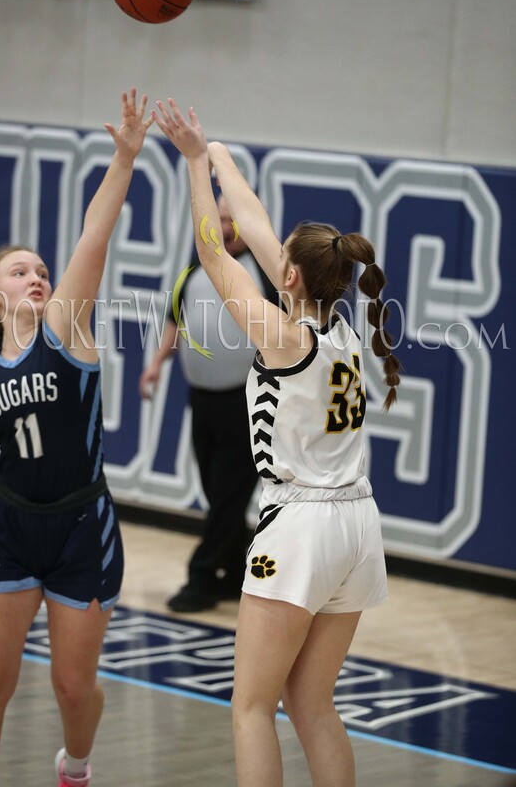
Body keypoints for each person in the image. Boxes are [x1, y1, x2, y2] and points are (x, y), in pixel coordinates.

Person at [150, 98, 401, 787]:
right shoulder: (343, 327)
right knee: (313, 704)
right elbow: (258, 230)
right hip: (358, 525)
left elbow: (214, 246)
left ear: (288, 277)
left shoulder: (283, 335)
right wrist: (217, 152)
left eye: (278, 262)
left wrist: (196, 165)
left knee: (251, 708)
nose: (267, 256)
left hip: (301, 527)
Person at [0, 89, 152, 787]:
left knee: (72, 689)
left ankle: (75, 766)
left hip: (83, 524)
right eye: (19, 271)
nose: (37, 276)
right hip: (9, 522)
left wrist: (124, 158)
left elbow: (93, 238)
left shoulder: (66, 331)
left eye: (40, 272)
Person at [140, 194, 277, 613]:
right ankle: (237, 575)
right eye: (219, 219)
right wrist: (156, 364)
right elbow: (175, 318)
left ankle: (200, 579)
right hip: (201, 400)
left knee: (227, 495)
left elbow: (287, 329)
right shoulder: (196, 267)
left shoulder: (264, 273)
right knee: (218, 493)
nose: (225, 227)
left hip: (247, 402)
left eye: (233, 220)